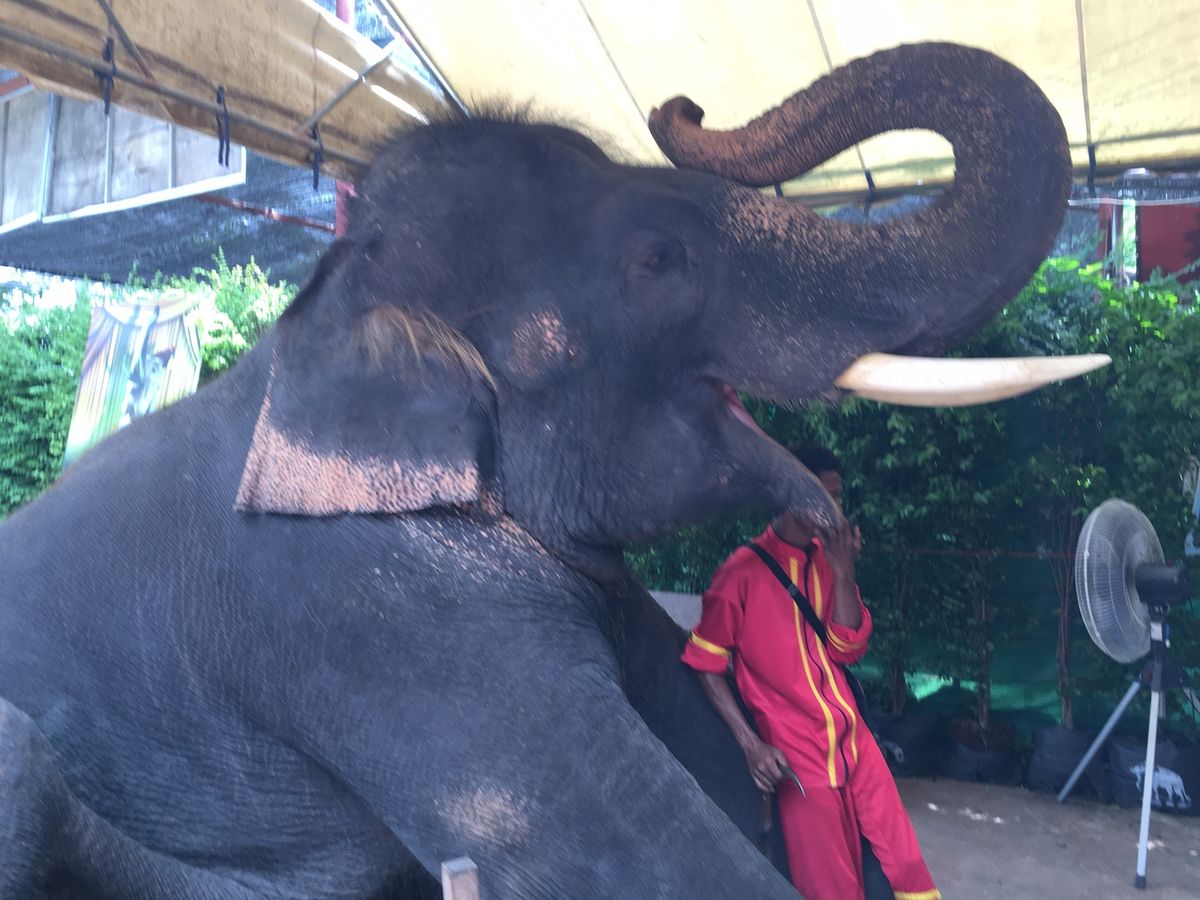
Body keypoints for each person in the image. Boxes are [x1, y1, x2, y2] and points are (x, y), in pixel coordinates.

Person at [682, 443, 938, 900]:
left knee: (908, 868)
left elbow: (848, 648)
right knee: (831, 886)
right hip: (799, 758)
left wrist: (844, 573)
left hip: (855, 743)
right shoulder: (740, 573)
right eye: (826, 495)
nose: (836, 508)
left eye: (838, 496)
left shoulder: (828, 560)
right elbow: (706, 665)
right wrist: (752, 746)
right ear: (791, 493)